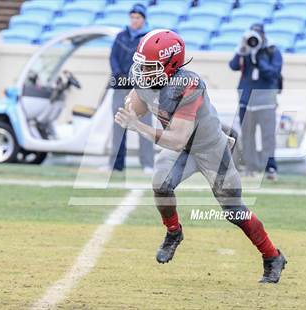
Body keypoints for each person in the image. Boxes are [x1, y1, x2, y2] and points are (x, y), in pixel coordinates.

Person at [114, 29, 287, 283]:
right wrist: (131, 106)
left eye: (148, 67)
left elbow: (177, 138)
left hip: (209, 149)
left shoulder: (189, 85)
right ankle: (174, 232)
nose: (141, 72)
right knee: (160, 185)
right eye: (141, 66)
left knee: (234, 210)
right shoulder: (149, 78)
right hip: (184, 150)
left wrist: (137, 125)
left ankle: (272, 257)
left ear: (170, 64)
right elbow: (137, 104)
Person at [229, 23, 283, 180]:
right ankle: (250, 166)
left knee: (268, 135)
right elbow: (233, 66)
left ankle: (270, 167)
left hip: (266, 101)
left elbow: (273, 73)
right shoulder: (245, 50)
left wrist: (259, 59)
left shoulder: (272, 50)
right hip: (246, 101)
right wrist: (241, 50)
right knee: (247, 135)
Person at [109, 3, 154, 172]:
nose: (134, 21)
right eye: (132, 17)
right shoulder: (121, 36)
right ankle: (116, 164)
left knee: (145, 125)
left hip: (140, 89)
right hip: (120, 86)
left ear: (144, 19)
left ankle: (148, 164)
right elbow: (113, 57)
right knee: (118, 122)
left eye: (138, 17)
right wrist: (118, 73)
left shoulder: (147, 38)